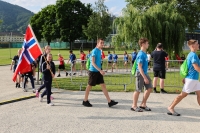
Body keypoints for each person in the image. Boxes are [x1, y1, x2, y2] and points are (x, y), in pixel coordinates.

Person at [167, 39, 200, 116]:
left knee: (199, 94)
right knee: (183, 95)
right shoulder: (193, 55)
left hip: (194, 79)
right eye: (197, 44)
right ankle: (171, 107)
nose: (198, 45)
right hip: (191, 79)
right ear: (193, 46)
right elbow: (196, 68)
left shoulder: (192, 54)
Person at [82, 38, 118, 107]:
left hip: (98, 71)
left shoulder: (99, 50)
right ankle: (85, 100)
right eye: (101, 43)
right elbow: (92, 62)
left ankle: (109, 101)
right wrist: (100, 70)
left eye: (103, 43)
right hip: (93, 71)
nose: (102, 44)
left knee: (103, 85)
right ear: (97, 43)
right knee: (89, 86)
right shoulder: (94, 51)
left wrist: (100, 70)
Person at [131, 38, 152, 112]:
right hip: (140, 74)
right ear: (143, 44)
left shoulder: (144, 53)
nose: (148, 44)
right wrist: (144, 78)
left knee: (149, 88)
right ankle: (134, 106)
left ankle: (143, 104)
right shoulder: (140, 54)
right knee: (138, 90)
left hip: (145, 73)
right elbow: (139, 67)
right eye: (147, 43)